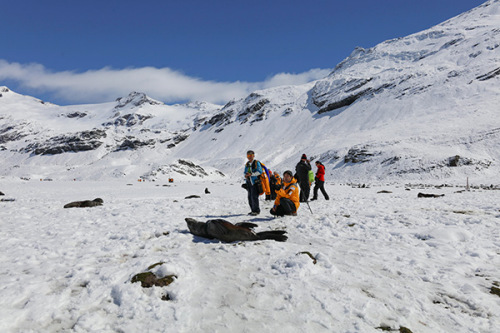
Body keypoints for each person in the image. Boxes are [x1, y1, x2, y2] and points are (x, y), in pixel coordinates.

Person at [244, 150, 263, 216]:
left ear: (253, 155)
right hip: (249, 181)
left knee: (254, 196)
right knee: (249, 196)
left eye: (251, 155)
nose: (249, 157)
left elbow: (260, 171)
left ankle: (256, 210)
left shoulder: (256, 163)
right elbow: (245, 171)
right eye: (248, 155)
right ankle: (252, 210)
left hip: (255, 182)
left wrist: (251, 174)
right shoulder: (247, 164)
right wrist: (246, 175)